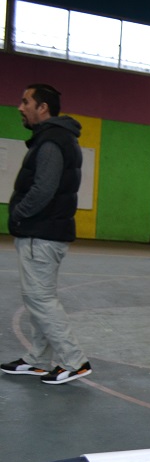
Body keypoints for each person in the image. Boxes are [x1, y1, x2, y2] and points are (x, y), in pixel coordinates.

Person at [1, 83, 93, 385]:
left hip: (40, 233)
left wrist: (18, 213)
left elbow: (43, 189)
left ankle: (74, 361)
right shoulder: (55, 139)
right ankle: (38, 359)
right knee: (39, 298)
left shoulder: (52, 141)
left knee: (39, 298)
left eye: (26, 101)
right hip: (44, 232)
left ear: (43, 108)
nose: (20, 107)